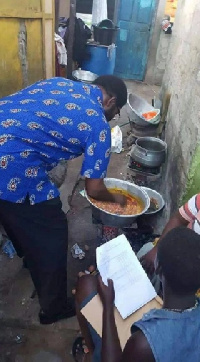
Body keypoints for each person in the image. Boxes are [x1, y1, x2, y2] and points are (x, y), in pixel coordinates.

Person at [0, 75, 127, 324]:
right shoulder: (98, 124)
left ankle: (28, 254)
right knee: (52, 227)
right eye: (117, 112)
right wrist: (120, 201)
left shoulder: (59, 82)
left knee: (14, 209)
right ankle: (54, 307)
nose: (113, 119)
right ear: (110, 101)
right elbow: (94, 189)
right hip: (10, 163)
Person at [75, 227, 200, 361]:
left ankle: (92, 355)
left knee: (85, 285)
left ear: (158, 268)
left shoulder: (143, 344)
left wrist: (107, 306)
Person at [141, 193, 200, 275]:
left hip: (190, 276)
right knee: (144, 252)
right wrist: (157, 249)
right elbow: (179, 219)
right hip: (175, 253)